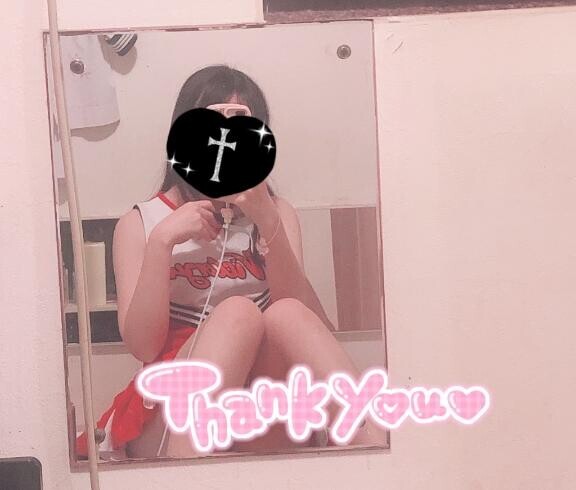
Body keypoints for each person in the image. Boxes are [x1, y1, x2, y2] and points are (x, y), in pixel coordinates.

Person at [77, 64, 386, 460]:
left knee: (286, 313)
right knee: (238, 313)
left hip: (261, 411)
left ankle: (374, 442)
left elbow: (310, 323)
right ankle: (187, 468)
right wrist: (162, 243)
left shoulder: (277, 214)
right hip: (171, 411)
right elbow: (144, 346)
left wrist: (268, 222)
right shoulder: (142, 223)